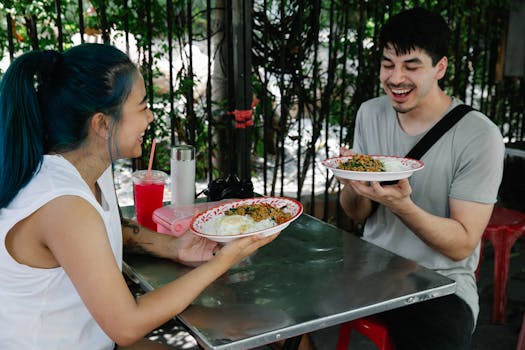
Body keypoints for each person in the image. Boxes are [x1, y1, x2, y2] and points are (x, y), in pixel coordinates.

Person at [0, 43, 279, 350]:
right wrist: (223, 260)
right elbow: (127, 326)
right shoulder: (63, 204)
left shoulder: (86, 168)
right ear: (102, 124)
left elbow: (105, 229)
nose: (150, 118)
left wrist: (174, 247)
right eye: (143, 107)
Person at [338, 7, 504, 350]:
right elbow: (356, 214)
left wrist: (402, 206)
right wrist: (352, 183)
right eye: (388, 65)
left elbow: (461, 244)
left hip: (439, 281)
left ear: (440, 67)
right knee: (286, 310)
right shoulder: (370, 113)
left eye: (411, 67)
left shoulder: (478, 135)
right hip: (369, 266)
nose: (396, 78)